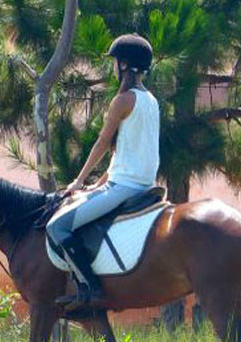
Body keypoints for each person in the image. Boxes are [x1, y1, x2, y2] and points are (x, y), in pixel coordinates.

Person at [46, 34, 160, 308]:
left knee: (57, 226)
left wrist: (79, 180)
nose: (112, 67)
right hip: (143, 184)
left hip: (124, 188)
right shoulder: (151, 100)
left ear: (123, 64)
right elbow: (127, 154)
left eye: (114, 62)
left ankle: (90, 288)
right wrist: (99, 184)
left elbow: (102, 143)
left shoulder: (123, 101)